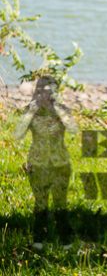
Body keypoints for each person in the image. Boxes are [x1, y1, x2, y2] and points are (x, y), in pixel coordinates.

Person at [14, 75, 76, 246]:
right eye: (41, 91)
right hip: (37, 163)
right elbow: (18, 134)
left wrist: (58, 109)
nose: (45, 95)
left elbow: (73, 130)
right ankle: (39, 241)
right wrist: (31, 112)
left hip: (60, 162)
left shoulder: (62, 110)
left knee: (60, 203)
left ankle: (65, 241)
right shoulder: (31, 111)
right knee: (40, 203)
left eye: (49, 91)